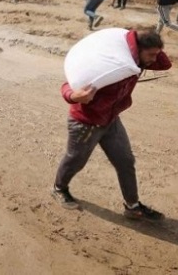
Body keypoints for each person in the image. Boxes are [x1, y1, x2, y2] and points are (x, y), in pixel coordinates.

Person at [52, 29, 171, 220]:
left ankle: (132, 207)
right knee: (76, 160)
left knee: (125, 162)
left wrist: (141, 42)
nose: (154, 59)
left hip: (111, 120)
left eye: (156, 54)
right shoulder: (108, 64)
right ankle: (59, 188)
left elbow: (165, 65)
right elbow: (70, 83)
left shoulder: (136, 61)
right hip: (85, 123)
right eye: (151, 54)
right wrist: (74, 96)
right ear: (139, 50)